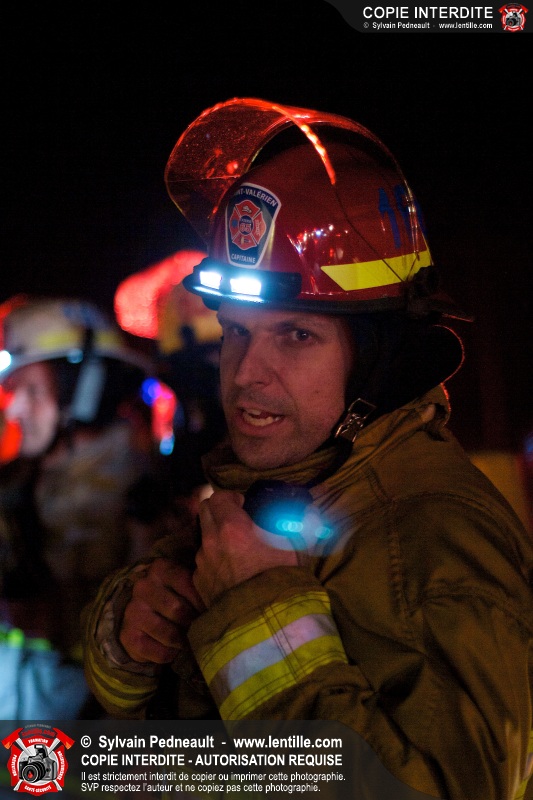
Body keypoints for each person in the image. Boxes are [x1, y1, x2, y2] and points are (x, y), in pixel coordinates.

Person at [82, 99, 533, 800]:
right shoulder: (276, 485)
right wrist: (128, 630)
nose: (245, 373)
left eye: (295, 335)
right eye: (237, 331)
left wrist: (256, 611)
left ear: (376, 359)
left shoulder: (433, 531)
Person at [0, 294, 172, 719]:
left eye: (31, 390)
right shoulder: (23, 486)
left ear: (83, 389)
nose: (14, 409)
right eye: (12, 390)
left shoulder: (143, 503)